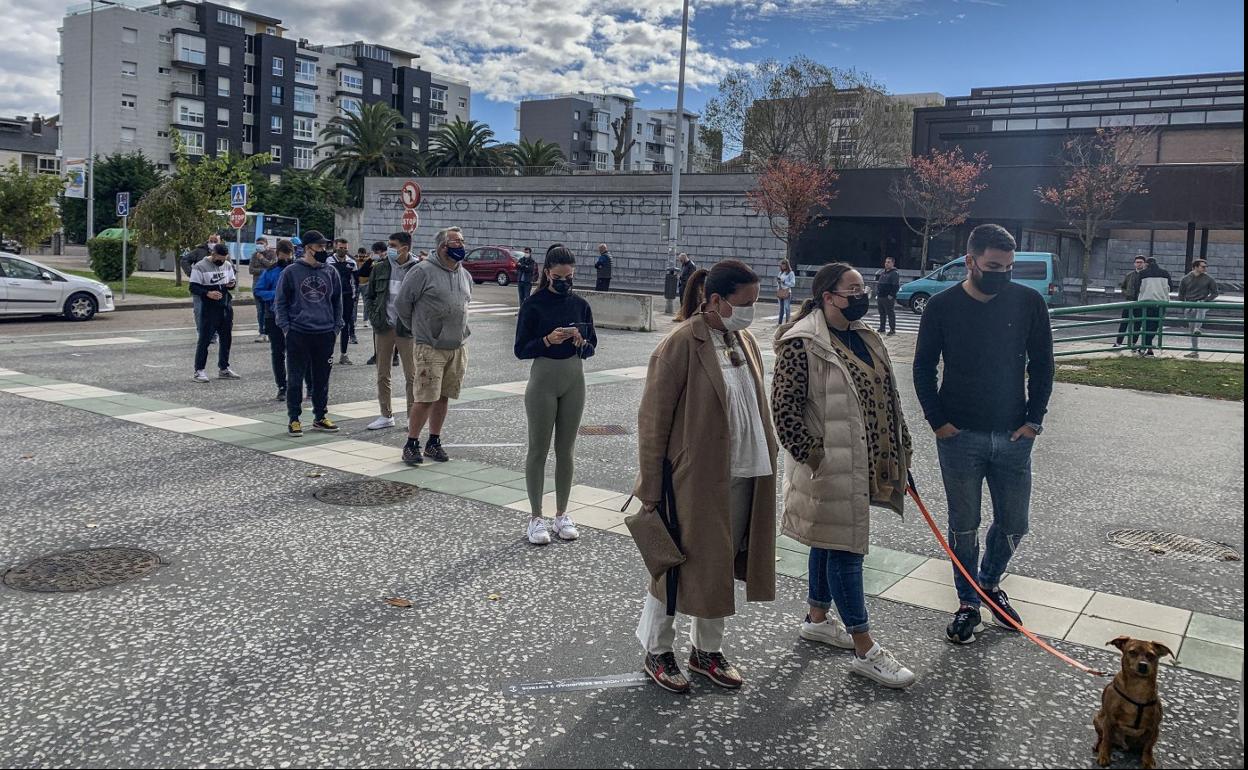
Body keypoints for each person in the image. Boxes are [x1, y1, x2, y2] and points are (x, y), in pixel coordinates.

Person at [634, 259, 778, 694]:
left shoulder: (744, 339)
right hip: (692, 481)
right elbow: (653, 420)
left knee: (718, 562)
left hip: (744, 472)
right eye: (745, 302)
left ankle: (706, 651)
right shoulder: (681, 343)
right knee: (673, 564)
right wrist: (651, 487)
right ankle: (657, 650)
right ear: (715, 300)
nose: (752, 310)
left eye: (755, 301)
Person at [772, 262, 916, 688]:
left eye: (863, 288)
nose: (862, 295)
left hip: (865, 460)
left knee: (827, 538)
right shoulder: (803, 343)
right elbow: (784, 409)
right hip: (831, 467)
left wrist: (902, 450)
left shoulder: (866, 337)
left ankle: (817, 617)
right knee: (847, 549)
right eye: (852, 289)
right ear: (828, 296)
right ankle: (865, 647)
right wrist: (815, 457)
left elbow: (888, 398)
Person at [913, 223, 1054, 645]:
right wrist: (938, 422)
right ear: (970, 261)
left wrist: (1034, 421)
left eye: (1009, 267)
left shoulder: (1028, 302)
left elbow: (1043, 365)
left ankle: (989, 584)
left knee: (1015, 522)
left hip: (1014, 435)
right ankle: (968, 602)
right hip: (960, 436)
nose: (1002, 274)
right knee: (964, 525)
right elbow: (922, 367)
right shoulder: (941, 307)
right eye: (993, 266)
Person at [514, 245, 598, 545]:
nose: (565, 281)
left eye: (570, 276)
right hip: (543, 381)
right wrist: (547, 340)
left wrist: (580, 340)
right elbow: (521, 349)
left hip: (574, 379)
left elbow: (591, 348)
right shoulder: (533, 304)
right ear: (547, 273)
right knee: (538, 449)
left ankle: (562, 514)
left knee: (567, 451)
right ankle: (535, 517)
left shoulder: (580, 305)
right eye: (560, 276)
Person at [396, 226, 472, 465]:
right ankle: (411, 443)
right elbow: (402, 304)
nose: (461, 245)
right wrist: (419, 330)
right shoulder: (422, 271)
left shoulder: (464, 274)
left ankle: (434, 442)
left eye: (462, 241)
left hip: (457, 346)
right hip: (430, 346)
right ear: (442, 247)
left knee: (444, 397)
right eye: (456, 242)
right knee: (425, 397)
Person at [273, 230, 343, 437]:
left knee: (322, 379)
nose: (323, 251)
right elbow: (281, 302)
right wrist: (286, 327)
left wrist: (336, 327)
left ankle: (320, 416)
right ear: (307, 249)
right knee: (295, 379)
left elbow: (337, 301)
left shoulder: (331, 272)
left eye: (324, 247)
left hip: (325, 332)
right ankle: (294, 419)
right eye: (319, 247)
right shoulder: (291, 272)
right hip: (299, 333)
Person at [363, 232, 419, 431]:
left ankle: (413, 417)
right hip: (384, 326)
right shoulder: (380, 268)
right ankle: (386, 415)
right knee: (382, 372)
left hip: (407, 329)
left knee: (411, 375)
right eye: (389, 245)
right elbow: (369, 295)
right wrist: (375, 317)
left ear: (405, 247)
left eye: (393, 245)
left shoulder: (418, 269)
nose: (390, 249)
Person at [253, 240, 310, 401]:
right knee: (278, 353)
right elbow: (258, 290)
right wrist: (278, 295)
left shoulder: (298, 270)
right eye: (283, 256)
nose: (286, 259)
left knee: (301, 353)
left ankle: (308, 386)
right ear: (277, 254)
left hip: (296, 317)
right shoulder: (270, 271)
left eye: (289, 256)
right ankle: (282, 386)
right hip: (274, 316)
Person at [189, 243, 241, 383]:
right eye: (220, 258)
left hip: (225, 305)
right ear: (213, 254)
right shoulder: (200, 266)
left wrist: (231, 284)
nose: (222, 261)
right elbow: (193, 287)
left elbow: (232, 280)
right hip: (209, 307)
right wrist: (207, 293)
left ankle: (224, 368)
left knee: (226, 338)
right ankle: (199, 370)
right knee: (205, 339)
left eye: (224, 258)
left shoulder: (228, 265)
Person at [183, 233, 221, 342]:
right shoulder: (199, 251)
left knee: (214, 312)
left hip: (215, 287)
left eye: (215, 241)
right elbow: (184, 260)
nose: (213, 244)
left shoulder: (223, 252)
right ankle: (202, 334)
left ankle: (213, 335)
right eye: (211, 241)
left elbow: (229, 267)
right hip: (199, 287)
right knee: (199, 312)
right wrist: (191, 273)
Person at [328, 238, 359, 364]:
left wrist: (355, 295)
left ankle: (344, 354)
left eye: (345, 248)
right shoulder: (328, 261)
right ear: (336, 247)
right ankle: (328, 354)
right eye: (341, 247)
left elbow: (356, 281)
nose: (343, 250)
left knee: (345, 325)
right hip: (331, 297)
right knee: (330, 325)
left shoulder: (352, 262)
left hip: (347, 297)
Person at [1137, 257, 1173, 357]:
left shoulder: (1142, 273)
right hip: (1161, 303)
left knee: (1146, 325)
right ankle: (1148, 347)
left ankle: (1146, 347)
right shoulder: (1165, 273)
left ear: (1146, 264)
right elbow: (1171, 287)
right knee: (1154, 326)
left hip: (1146, 302)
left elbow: (1137, 288)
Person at [249, 237, 278, 343]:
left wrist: (262, 259)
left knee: (270, 310)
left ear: (266, 244)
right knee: (260, 311)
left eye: (261, 243)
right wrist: (265, 271)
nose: (259, 245)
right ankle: (261, 332)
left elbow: (273, 267)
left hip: (269, 288)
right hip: (257, 286)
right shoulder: (253, 255)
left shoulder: (272, 254)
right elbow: (251, 270)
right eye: (257, 243)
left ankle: (270, 332)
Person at [1114, 256, 1147, 349]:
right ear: (1134, 264)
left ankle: (1133, 343)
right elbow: (1123, 287)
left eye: (1141, 262)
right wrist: (1126, 293)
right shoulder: (1129, 275)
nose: (1139, 264)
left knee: (1137, 324)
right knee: (1124, 323)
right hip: (1129, 302)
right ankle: (1118, 342)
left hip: (1140, 303)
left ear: (1144, 264)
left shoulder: (1146, 275)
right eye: (1137, 262)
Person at [874, 256, 900, 336]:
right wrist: (877, 294)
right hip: (880, 296)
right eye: (886, 262)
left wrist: (891, 295)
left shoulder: (894, 273)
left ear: (892, 263)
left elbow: (895, 286)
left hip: (888, 297)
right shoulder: (883, 272)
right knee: (882, 313)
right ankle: (882, 328)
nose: (886, 264)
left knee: (890, 313)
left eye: (888, 262)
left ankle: (892, 329)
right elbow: (879, 284)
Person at [776, 258, 796, 324]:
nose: (782, 266)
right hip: (780, 291)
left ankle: (787, 322)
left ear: (787, 265)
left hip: (787, 292)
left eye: (784, 264)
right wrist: (778, 282)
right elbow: (778, 281)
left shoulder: (791, 273)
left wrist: (784, 282)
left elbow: (793, 284)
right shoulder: (780, 273)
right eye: (781, 264)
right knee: (781, 308)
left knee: (787, 308)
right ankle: (779, 322)